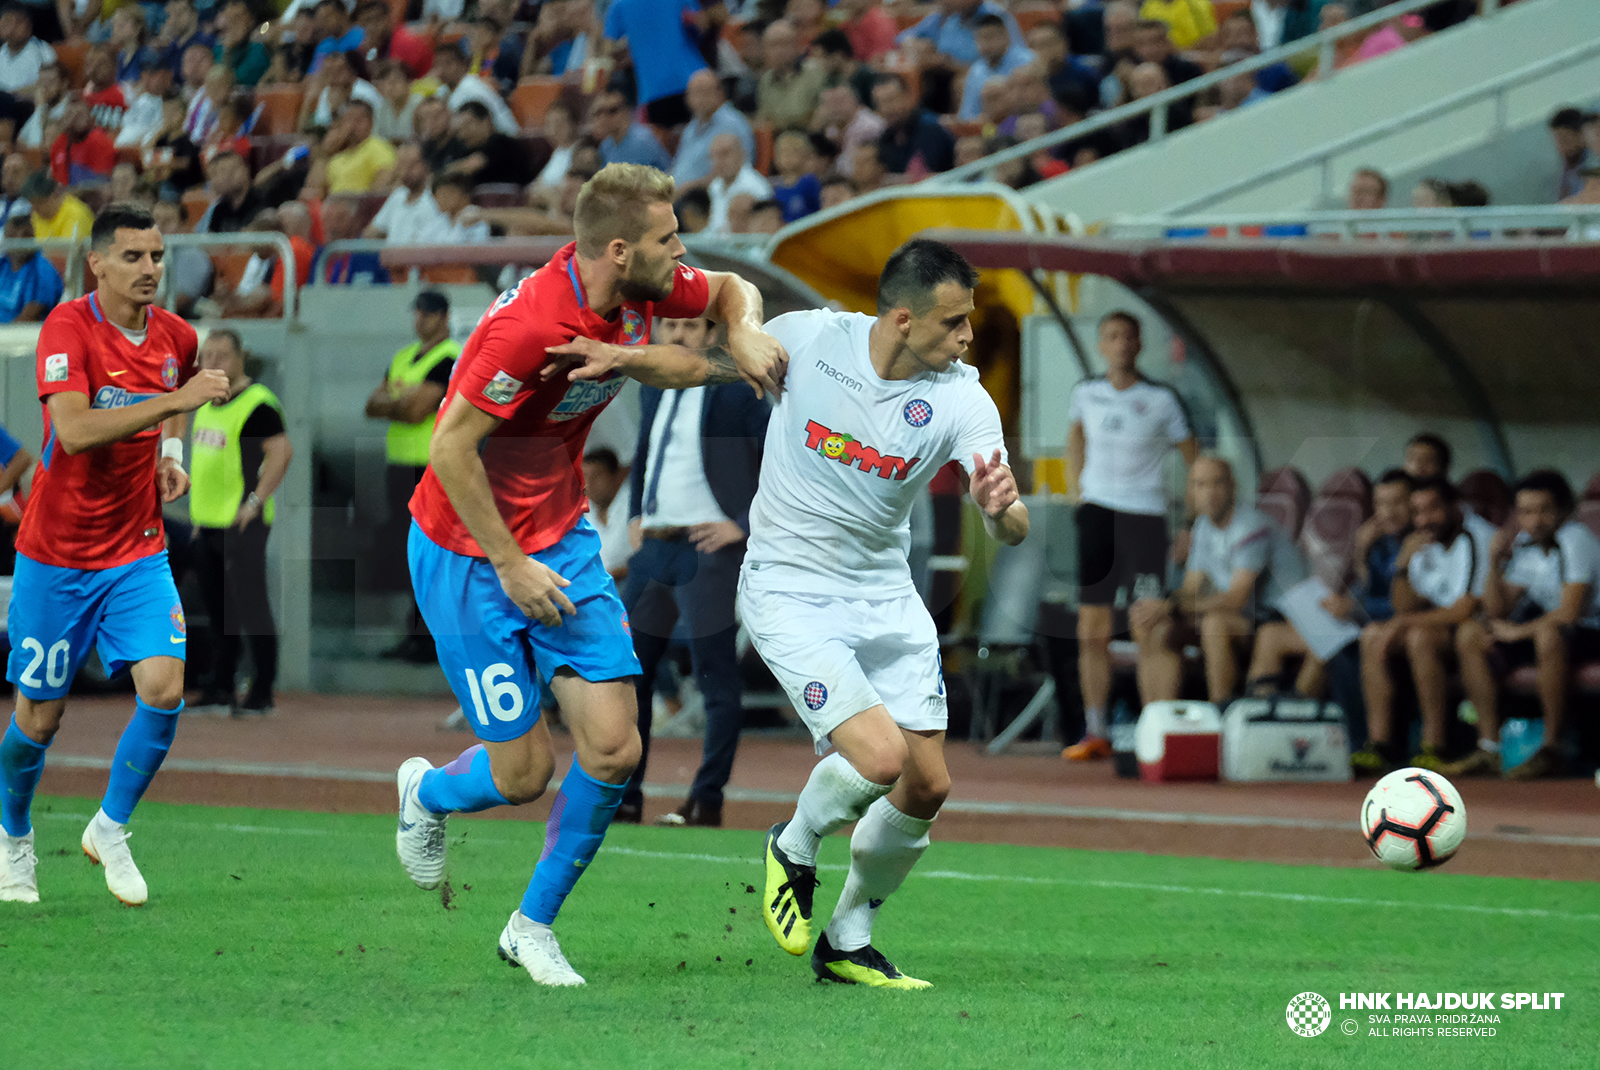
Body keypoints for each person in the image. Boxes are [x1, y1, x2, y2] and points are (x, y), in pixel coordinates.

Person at [392, 162, 786, 986]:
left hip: (561, 532)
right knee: (524, 775)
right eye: (666, 238)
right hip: (468, 548)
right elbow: (449, 449)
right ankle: (427, 794)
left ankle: (531, 926)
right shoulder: (527, 327)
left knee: (613, 748)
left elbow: (727, 288)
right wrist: (509, 562)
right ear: (617, 249)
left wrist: (741, 331)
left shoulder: (641, 287)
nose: (680, 250)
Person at [747, 238, 1025, 987]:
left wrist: (999, 511)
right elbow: (724, 342)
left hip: (884, 596)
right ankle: (795, 841)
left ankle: (848, 937)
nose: (968, 338)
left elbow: (1010, 516)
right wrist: (647, 351)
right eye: (954, 323)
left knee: (926, 786)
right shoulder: (810, 338)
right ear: (902, 319)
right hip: (790, 587)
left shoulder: (962, 396)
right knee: (879, 758)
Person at [0, 202, 230, 907]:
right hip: (57, 553)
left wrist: (170, 451)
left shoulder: (178, 336)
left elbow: (178, 396)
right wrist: (169, 408)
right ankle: (12, 839)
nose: (150, 270)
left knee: (164, 689)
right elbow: (70, 432)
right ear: (95, 263)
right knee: (40, 717)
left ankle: (111, 825)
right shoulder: (68, 328)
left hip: (136, 548)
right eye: (132, 257)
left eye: (158, 256)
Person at [618, 314, 770, 830]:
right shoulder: (654, 386)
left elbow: (781, 462)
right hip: (654, 549)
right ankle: (625, 795)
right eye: (670, 325)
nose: (678, 335)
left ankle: (706, 798)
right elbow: (645, 451)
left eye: (690, 326)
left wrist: (742, 524)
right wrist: (637, 512)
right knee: (626, 675)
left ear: (711, 335)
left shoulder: (736, 389)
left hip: (707, 551)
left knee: (714, 677)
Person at [1063, 311, 1197, 760]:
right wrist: (1077, 492)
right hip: (1098, 513)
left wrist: (1191, 525)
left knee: (1148, 623)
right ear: (1101, 344)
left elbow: (1195, 459)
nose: (1120, 344)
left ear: (1139, 345)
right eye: (1112, 336)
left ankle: (1153, 728)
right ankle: (1095, 728)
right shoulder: (1086, 392)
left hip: (1145, 517)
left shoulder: (1161, 399)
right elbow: (1075, 438)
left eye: (1128, 337)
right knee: (1091, 629)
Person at [1447, 471, 1600, 781]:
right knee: (1471, 633)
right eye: (1526, 512)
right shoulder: (1528, 545)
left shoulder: (1576, 538)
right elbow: (1497, 607)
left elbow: (1570, 612)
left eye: (1544, 510)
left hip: (1591, 631)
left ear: (1563, 510)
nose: (1535, 520)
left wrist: (1516, 632)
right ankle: (1489, 746)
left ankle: (1552, 748)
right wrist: (1494, 561)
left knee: (1547, 634)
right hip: (1552, 632)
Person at [1350, 477, 1497, 776]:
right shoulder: (1420, 539)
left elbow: (1465, 609)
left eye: (1432, 510)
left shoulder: (1475, 535)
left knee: (1419, 638)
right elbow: (1404, 604)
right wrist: (1403, 564)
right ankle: (1380, 744)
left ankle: (1434, 745)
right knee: (1371, 635)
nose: (1424, 519)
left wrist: (1402, 623)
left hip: (1478, 627)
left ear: (1454, 506)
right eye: (1417, 512)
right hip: (1441, 624)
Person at [1133, 456, 1308, 705]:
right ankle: (1156, 723)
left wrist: (1172, 606)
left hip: (1275, 619)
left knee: (1214, 625)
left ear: (1232, 486)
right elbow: (1191, 589)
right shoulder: (1203, 526)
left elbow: (1237, 599)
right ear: (1190, 492)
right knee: (1153, 625)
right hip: (1244, 617)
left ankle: (1221, 713)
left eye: (1217, 484)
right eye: (1200, 485)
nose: (1209, 493)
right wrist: (1163, 608)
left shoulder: (1250, 526)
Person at [188, 329, 292, 716]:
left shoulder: (257, 404)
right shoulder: (206, 402)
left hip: (242, 524)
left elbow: (281, 454)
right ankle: (221, 688)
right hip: (208, 524)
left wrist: (254, 502)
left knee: (250, 608)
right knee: (218, 612)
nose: (213, 363)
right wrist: (200, 520)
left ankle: (262, 692)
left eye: (222, 355)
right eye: (207, 355)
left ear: (240, 358)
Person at [365, 291, 460, 664]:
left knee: (432, 555)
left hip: (431, 467)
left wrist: (396, 404)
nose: (420, 319)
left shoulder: (449, 358)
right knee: (410, 556)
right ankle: (416, 633)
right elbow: (372, 405)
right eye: (418, 311)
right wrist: (397, 405)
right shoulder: (404, 357)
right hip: (401, 467)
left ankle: (431, 638)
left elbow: (417, 410)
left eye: (429, 312)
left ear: (444, 316)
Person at [600, 0, 706, 128]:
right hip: (690, 77)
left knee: (670, 144)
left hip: (653, 88)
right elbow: (702, 23)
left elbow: (608, 48)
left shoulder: (619, 5)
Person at [672, 68, 754, 188]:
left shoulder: (731, 124)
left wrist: (686, 189)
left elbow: (736, 171)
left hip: (705, 196)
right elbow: (678, 166)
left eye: (705, 92)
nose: (700, 99)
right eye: (694, 93)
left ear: (720, 93)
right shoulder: (691, 128)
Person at [430, 41, 518, 137]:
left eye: (448, 64)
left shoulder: (472, 88)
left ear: (463, 65)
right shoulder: (443, 91)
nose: (441, 70)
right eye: (437, 65)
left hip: (502, 140)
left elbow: (486, 128)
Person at [873, 73, 953, 177]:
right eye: (880, 103)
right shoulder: (884, 140)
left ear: (908, 97)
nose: (886, 108)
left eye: (891, 100)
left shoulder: (932, 131)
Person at [364, 141, 446, 244]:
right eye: (401, 166)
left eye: (411, 166)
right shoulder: (398, 195)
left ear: (427, 164)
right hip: (393, 258)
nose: (405, 172)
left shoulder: (438, 198)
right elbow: (371, 233)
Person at [957, 13, 1032, 122]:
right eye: (981, 38)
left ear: (1005, 37)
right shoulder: (976, 71)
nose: (986, 44)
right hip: (989, 128)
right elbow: (967, 115)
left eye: (991, 37)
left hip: (1023, 122)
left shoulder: (1027, 61)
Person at [439, 98, 531, 187]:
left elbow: (470, 166)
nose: (463, 134)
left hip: (507, 198)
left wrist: (443, 172)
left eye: (467, 125)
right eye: (459, 130)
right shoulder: (463, 147)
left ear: (485, 121)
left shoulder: (501, 143)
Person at [756, 20, 824, 132]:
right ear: (765, 50)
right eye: (773, 46)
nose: (779, 51)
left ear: (798, 46)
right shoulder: (766, 79)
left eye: (785, 44)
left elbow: (824, 113)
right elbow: (764, 118)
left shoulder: (814, 72)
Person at [0, 198, 62, 322]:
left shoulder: (43, 270)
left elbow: (30, 317)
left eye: (25, 235)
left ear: (33, 236)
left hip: (20, 337)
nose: (19, 241)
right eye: (13, 236)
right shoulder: (3, 264)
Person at [588, 85, 670, 172]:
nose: (604, 117)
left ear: (626, 110)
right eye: (600, 112)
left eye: (613, 110)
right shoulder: (606, 146)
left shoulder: (642, 140)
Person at [705, 130, 771, 236]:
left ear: (741, 154)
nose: (719, 162)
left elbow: (763, 233)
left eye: (725, 154)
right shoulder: (715, 186)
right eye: (714, 156)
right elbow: (714, 227)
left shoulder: (756, 187)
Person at [324, 99, 396, 194]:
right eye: (348, 120)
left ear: (370, 123)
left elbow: (385, 179)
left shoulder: (377, 147)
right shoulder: (336, 158)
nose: (352, 125)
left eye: (358, 120)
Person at [582, 446, 631, 582]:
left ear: (617, 475)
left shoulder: (634, 502)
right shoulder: (587, 513)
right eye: (585, 478)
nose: (589, 484)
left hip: (633, 579)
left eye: (596, 477)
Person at [193, 150, 261, 233]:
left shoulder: (263, 201)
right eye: (216, 174)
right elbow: (210, 242)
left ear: (246, 169)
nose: (225, 177)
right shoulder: (219, 209)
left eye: (232, 170)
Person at [23, 168, 93, 239]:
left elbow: (69, 249)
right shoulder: (36, 216)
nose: (35, 209)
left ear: (54, 195)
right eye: (32, 204)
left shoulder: (76, 213)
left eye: (39, 203)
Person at [769, 128, 820, 224]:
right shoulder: (777, 188)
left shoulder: (809, 182)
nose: (787, 157)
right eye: (782, 152)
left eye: (792, 152)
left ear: (804, 155)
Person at [0, 4, 53, 96]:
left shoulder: (44, 50)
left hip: (25, 104)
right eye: (6, 24)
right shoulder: (2, 52)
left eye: (19, 22)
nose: (12, 28)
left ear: (28, 24)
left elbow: (49, 86)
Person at [1549, 107, 1589, 201]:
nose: (1561, 147)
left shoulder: (1592, 165)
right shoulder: (1567, 167)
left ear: (1583, 135)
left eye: (1565, 140)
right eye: (1557, 141)